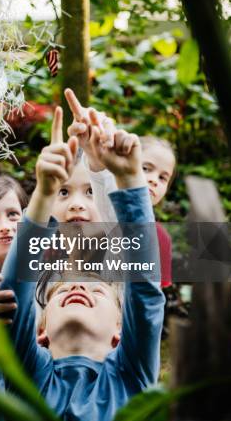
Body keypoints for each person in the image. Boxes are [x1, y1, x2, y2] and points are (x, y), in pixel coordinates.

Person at [0, 106, 164, 421]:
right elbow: (14, 294)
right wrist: (43, 194)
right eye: (62, 290)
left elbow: (145, 288)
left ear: (120, 331)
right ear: (40, 331)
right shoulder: (27, 377)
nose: (79, 284)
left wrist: (129, 180)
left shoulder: (131, 377)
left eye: (97, 288)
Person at [65, 88, 176, 289]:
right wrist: (95, 158)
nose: (153, 180)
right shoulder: (101, 222)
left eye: (163, 177)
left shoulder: (162, 238)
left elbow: (152, 296)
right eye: (145, 168)